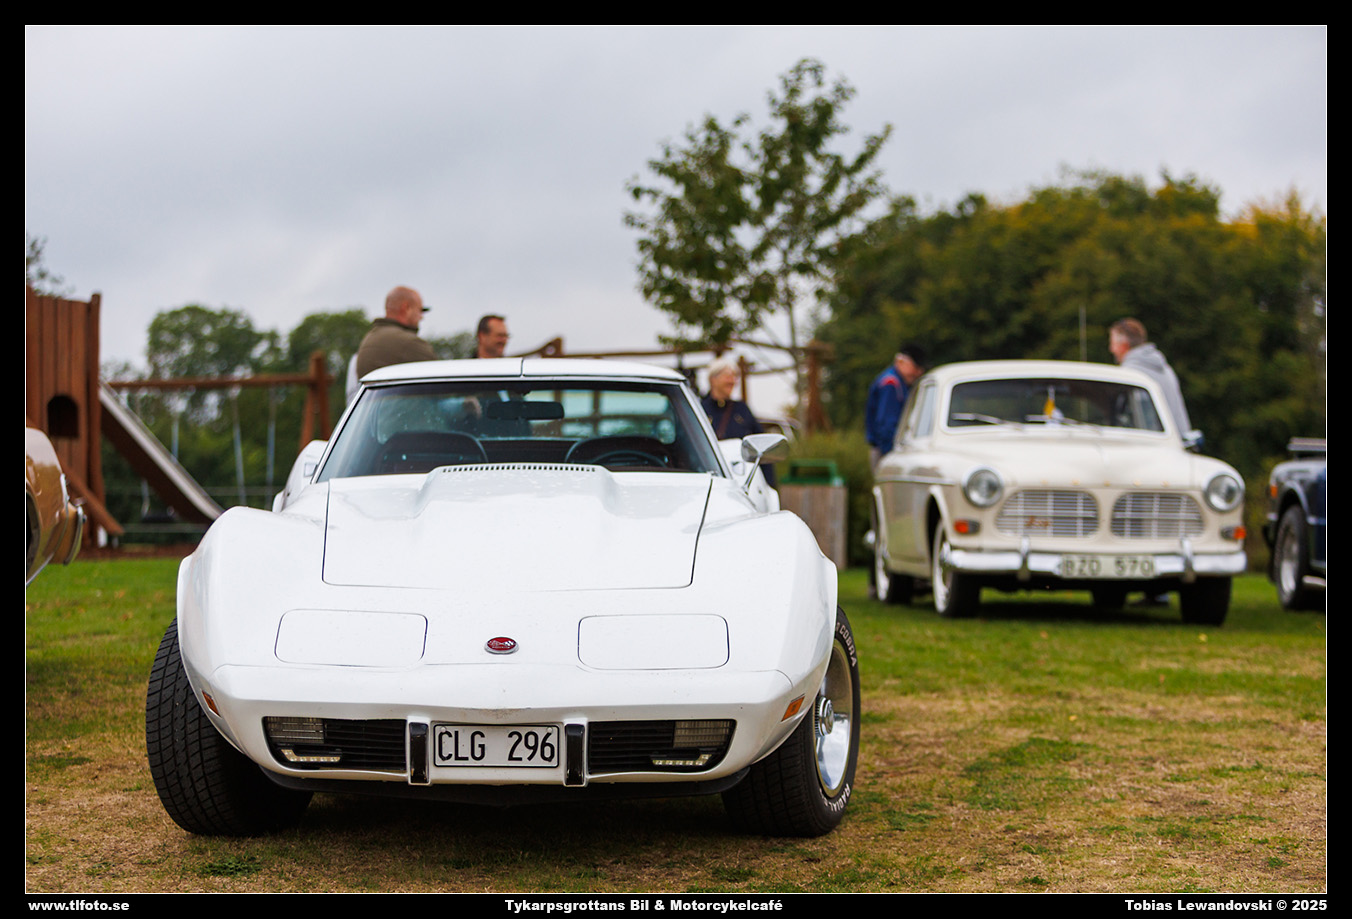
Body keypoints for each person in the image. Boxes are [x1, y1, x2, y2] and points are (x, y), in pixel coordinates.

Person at [1108, 318, 1192, 435]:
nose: (1111, 349)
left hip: (1149, 441)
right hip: (1177, 440)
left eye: (1113, 344)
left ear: (1124, 345)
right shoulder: (1166, 369)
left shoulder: (1128, 374)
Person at [701, 356, 774, 487]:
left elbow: (760, 446)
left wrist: (769, 485)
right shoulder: (700, 409)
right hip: (709, 480)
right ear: (713, 380)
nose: (732, 381)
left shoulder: (742, 410)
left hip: (740, 481)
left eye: (734, 377)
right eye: (727, 376)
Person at [866, 345, 927, 467]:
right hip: (886, 451)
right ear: (901, 362)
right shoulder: (891, 383)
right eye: (916, 367)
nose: (919, 372)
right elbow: (886, 425)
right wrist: (892, 456)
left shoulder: (898, 382)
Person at [355, 286, 435, 379]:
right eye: (420, 310)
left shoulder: (370, 338)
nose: (421, 317)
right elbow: (437, 377)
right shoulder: (410, 343)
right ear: (406, 308)